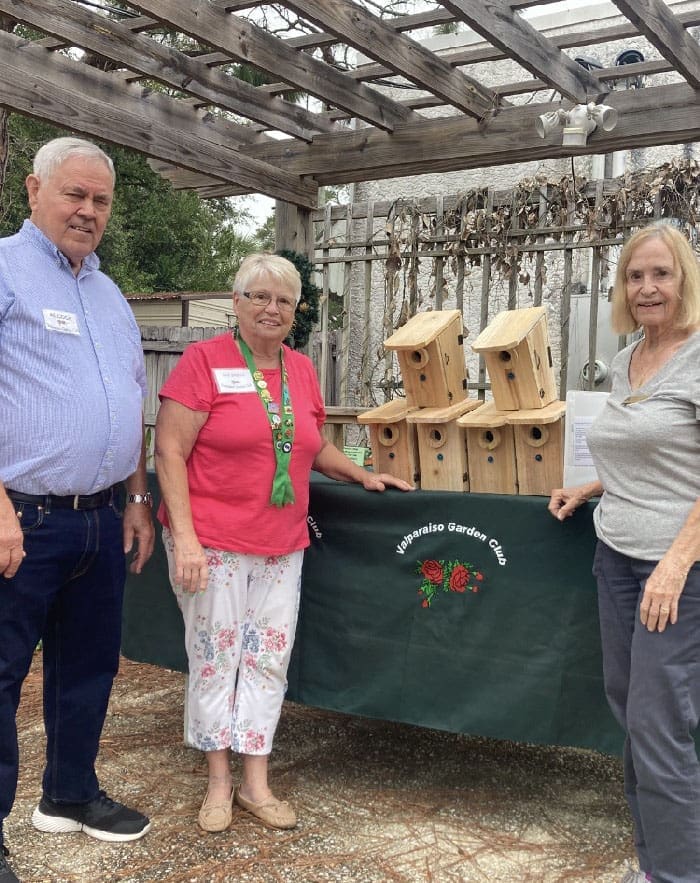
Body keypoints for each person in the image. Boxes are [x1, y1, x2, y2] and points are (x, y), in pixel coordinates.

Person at [154, 253, 413, 833]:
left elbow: (313, 444)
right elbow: (169, 450)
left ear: (296, 312)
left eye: (284, 301)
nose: (272, 309)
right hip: (213, 541)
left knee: (267, 659)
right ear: (237, 302)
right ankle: (218, 782)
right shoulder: (204, 361)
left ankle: (256, 782)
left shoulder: (300, 369)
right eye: (259, 296)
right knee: (217, 658)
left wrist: (362, 475)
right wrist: (187, 539)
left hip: (281, 543)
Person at [0, 137, 155, 883]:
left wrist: (135, 497)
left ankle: (69, 793)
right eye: (75, 194)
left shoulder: (109, 293)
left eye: (101, 200)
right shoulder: (4, 268)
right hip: (19, 517)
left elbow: (130, 398)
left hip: (100, 517)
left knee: (88, 665)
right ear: (35, 190)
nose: (88, 211)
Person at [548, 222, 700, 883]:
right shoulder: (627, 358)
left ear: (685, 278)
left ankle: (678, 873)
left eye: (661, 273)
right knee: (632, 714)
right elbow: (647, 452)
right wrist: (592, 485)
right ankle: (656, 863)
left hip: (678, 571)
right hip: (615, 556)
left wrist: (675, 563)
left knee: (658, 726)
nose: (647, 287)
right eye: (635, 276)